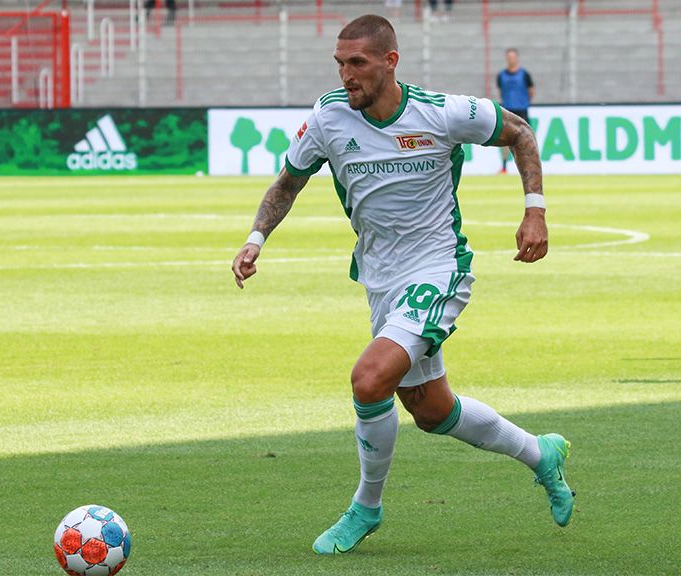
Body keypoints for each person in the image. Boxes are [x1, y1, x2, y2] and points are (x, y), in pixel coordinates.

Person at [231, 14, 574, 555]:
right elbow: (287, 183)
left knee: (369, 379)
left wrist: (535, 211)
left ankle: (366, 507)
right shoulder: (327, 119)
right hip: (380, 278)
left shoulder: (441, 114)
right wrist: (256, 238)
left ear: (391, 62)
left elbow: (521, 134)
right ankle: (540, 454)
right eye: (340, 64)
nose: (347, 75)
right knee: (431, 409)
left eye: (358, 64)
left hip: (439, 268)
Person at [496, 48, 534, 174]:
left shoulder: (524, 74)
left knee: (527, 138)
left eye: (513, 57)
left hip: (521, 110)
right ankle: (504, 166)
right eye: (509, 57)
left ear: (516, 58)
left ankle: (530, 166)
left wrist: (523, 101)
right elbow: (501, 91)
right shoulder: (501, 75)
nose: (511, 59)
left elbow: (531, 91)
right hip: (508, 110)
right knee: (505, 140)